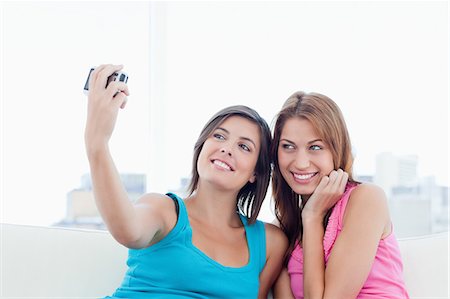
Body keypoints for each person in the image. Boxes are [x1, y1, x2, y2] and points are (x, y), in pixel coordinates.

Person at [84, 64, 288, 298]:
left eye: (244, 146)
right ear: (202, 148)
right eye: (219, 136)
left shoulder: (270, 243)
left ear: (256, 173)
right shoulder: (163, 211)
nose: (226, 149)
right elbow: (126, 230)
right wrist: (97, 143)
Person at [271, 91, 409, 299]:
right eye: (288, 146)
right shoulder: (282, 230)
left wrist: (312, 217)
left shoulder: (366, 199)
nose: (300, 162)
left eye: (315, 147)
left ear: (337, 150)